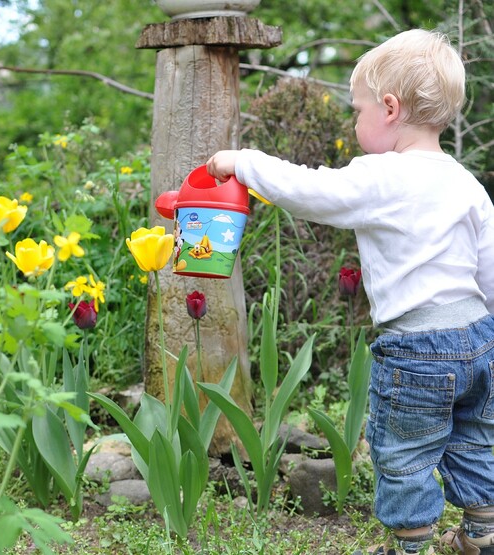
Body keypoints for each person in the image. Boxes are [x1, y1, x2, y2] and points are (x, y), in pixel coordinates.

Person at [206, 29, 494, 555]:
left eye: (356, 110)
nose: (354, 121)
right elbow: (490, 268)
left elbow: (310, 191)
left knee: (404, 453)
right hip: (477, 337)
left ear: (389, 108)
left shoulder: (382, 176)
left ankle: (411, 546)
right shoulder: (465, 183)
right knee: (475, 440)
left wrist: (242, 162)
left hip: (417, 347)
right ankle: (483, 531)